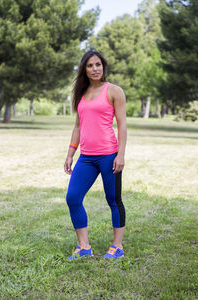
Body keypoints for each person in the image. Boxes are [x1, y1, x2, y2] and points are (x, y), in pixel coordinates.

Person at [64, 49, 127, 260]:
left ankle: (117, 246)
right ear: (84, 69)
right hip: (86, 158)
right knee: (73, 197)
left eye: (98, 64)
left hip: (109, 155)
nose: (95, 69)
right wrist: (70, 153)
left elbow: (123, 126)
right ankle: (84, 247)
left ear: (103, 66)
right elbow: (77, 127)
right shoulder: (81, 94)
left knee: (113, 199)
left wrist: (121, 155)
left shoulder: (114, 91)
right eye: (90, 65)